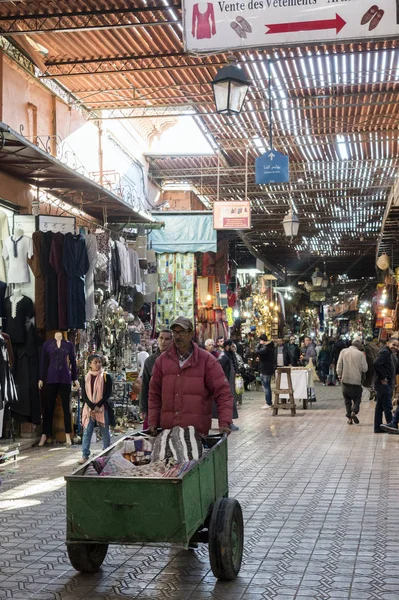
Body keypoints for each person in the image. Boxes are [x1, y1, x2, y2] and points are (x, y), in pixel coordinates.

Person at [148, 317, 233, 436]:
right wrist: (152, 421)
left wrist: (224, 423)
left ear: (191, 334)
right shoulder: (162, 361)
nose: (178, 336)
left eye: (182, 332)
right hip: (168, 433)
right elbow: (154, 394)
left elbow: (223, 394)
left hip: (197, 435)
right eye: (175, 332)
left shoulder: (207, 361)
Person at [78, 354, 113, 464]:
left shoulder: (106, 376)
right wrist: (92, 406)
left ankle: (106, 453)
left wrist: (98, 405)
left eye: (99, 362)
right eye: (95, 362)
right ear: (89, 364)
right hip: (89, 409)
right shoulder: (85, 378)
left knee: (105, 432)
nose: (98, 364)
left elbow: (107, 394)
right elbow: (84, 395)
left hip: (102, 408)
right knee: (87, 432)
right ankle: (85, 455)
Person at [139, 329, 173, 429]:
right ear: (157, 340)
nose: (163, 342)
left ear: (172, 341)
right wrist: (143, 408)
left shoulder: (176, 360)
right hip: (154, 406)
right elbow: (145, 385)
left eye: (167, 339)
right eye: (161, 338)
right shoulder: (150, 361)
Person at [336, 339, 368, 424]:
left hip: (345, 380)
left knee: (347, 400)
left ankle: (349, 419)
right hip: (356, 381)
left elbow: (339, 364)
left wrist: (339, 375)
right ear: (359, 346)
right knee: (357, 398)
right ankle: (354, 411)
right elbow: (365, 369)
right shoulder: (360, 354)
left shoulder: (343, 351)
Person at [373, 337, 399, 433]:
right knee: (388, 406)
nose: (395, 347)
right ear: (388, 343)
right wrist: (383, 377)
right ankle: (391, 426)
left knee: (379, 406)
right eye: (394, 345)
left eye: (397, 346)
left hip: (384, 384)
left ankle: (377, 427)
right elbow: (376, 364)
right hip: (383, 384)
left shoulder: (390, 354)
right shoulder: (385, 352)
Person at [219, 340, 239, 430]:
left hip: (229, 383)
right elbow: (219, 370)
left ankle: (229, 422)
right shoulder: (223, 357)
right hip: (226, 384)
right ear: (227, 347)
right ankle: (228, 423)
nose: (233, 348)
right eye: (231, 346)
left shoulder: (228, 355)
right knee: (227, 404)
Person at [255, 334, 275, 409]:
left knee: (266, 387)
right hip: (266, 369)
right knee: (266, 386)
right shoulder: (270, 347)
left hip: (266, 370)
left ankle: (268, 403)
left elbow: (257, 351)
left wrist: (259, 345)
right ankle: (268, 402)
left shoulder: (267, 348)